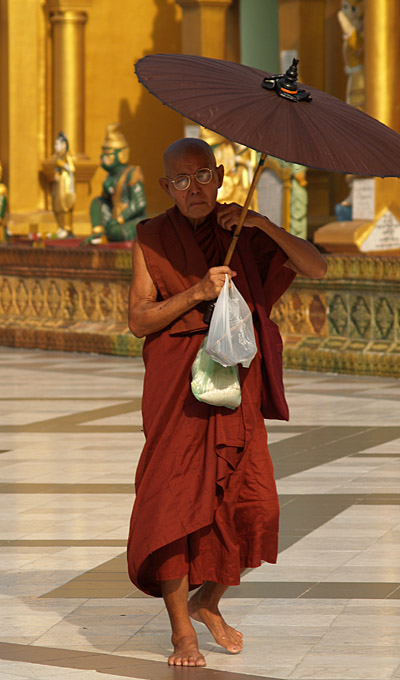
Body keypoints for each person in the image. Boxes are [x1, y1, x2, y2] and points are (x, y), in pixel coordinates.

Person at [127, 138, 326, 668]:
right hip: (176, 389)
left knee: (251, 506)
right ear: (166, 186)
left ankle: (207, 601)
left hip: (234, 388)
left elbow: (317, 268)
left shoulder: (241, 230)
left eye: (202, 177)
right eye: (180, 180)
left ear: (218, 176)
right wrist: (195, 293)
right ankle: (181, 636)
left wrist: (264, 226)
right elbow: (138, 319)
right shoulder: (153, 236)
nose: (193, 189)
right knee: (171, 509)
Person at [87, 123, 147, 244]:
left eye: (108, 154)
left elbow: (140, 203)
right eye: (103, 154)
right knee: (96, 202)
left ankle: (109, 233)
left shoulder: (133, 173)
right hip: (115, 217)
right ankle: (98, 233)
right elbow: (106, 202)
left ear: (121, 154)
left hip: (131, 219)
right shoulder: (109, 177)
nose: (103, 158)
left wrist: (120, 218)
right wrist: (106, 190)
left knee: (115, 232)